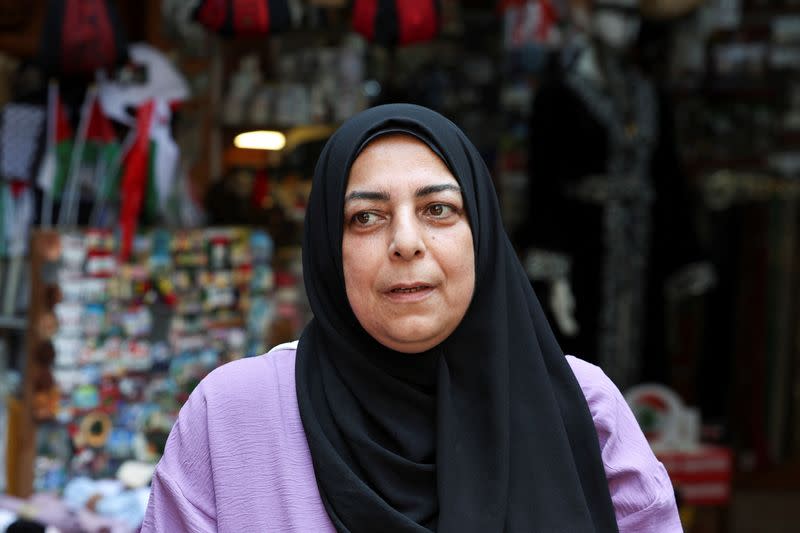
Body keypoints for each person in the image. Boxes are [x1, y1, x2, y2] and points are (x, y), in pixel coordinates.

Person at [141, 104, 682, 532]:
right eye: (367, 217)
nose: (404, 242)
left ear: (484, 237)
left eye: (438, 210)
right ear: (330, 251)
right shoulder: (233, 415)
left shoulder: (585, 409)